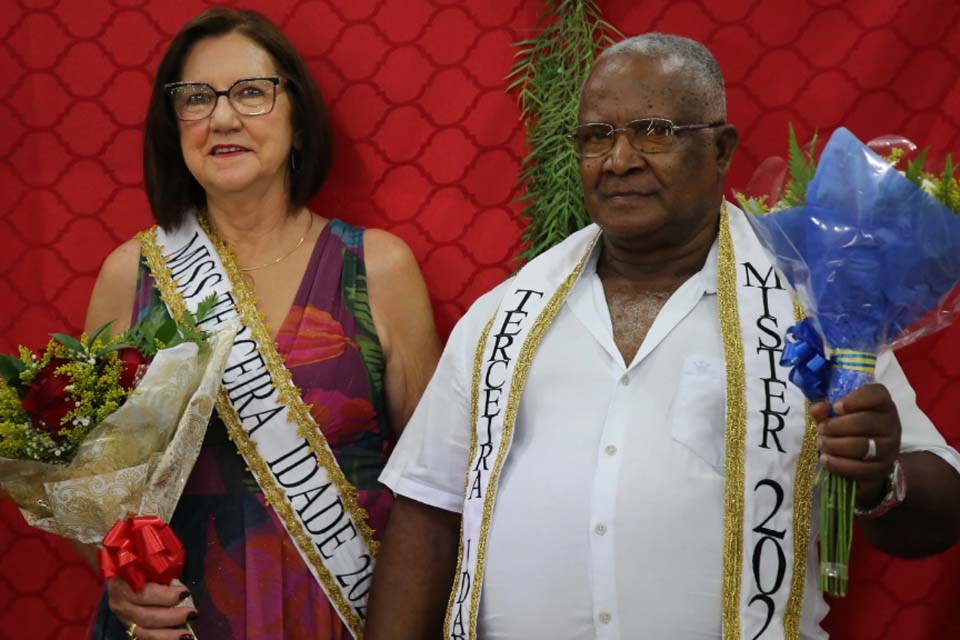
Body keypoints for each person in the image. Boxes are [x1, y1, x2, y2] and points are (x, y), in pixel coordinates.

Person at [365, 33, 960, 639]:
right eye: (597, 136)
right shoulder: (505, 317)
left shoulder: (812, 305)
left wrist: (881, 477)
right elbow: (427, 515)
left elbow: (938, 513)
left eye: (653, 132)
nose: (619, 159)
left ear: (721, 149)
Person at [84, 8, 440, 640]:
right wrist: (119, 577)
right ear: (175, 127)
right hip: (181, 622)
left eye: (251, 92)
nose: (222, 118)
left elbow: (433, 488)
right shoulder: (128, 275)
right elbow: (88, 485)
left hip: (342, 611)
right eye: (196, 98)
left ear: (297, 119)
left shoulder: (380, 269)